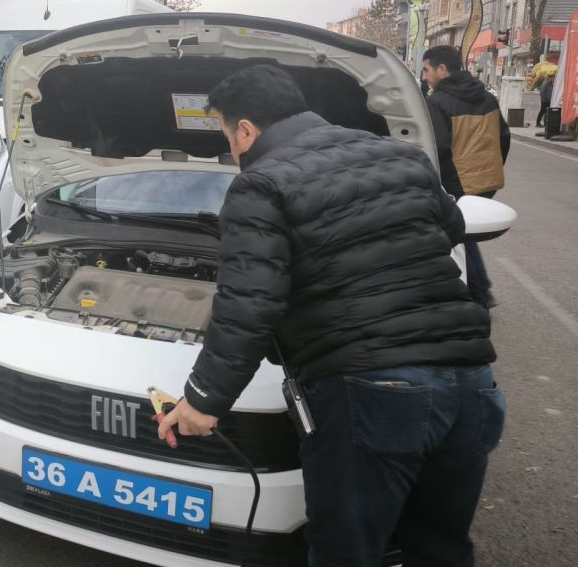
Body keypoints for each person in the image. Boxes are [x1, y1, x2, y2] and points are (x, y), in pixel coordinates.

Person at [157, 65, 503, 567]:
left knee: (348, 554)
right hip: (473, 385)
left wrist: (203, 400)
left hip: (373, 395)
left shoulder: (261, 184)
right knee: (440, 548)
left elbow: (250, 305)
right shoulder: (405, 157)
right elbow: (448, 231)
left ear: (248, 130)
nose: (232, 149)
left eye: (228, 135)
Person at [422, 45, 510, 309]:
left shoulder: (437, 102)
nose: (425, 76)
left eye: (426, 70)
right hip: (486, 179)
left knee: (459, 233)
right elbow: (503, 137)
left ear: (442, 69)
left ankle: (479, 294)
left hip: (456, 181)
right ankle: (479, 290)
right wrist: (491, 166)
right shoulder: (486, 97)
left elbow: (436, 147)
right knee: (467, 234)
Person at [531, 52, 559, 130]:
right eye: (552, 78)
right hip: (545, 101)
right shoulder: (545, 84)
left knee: (546, 112)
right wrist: (545, 99)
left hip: (548, 100)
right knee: (542, 111)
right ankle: (538, 123)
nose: (553, 79)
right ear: (549, 77)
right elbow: (542, 92)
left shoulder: (550, 84)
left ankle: (545, 123)